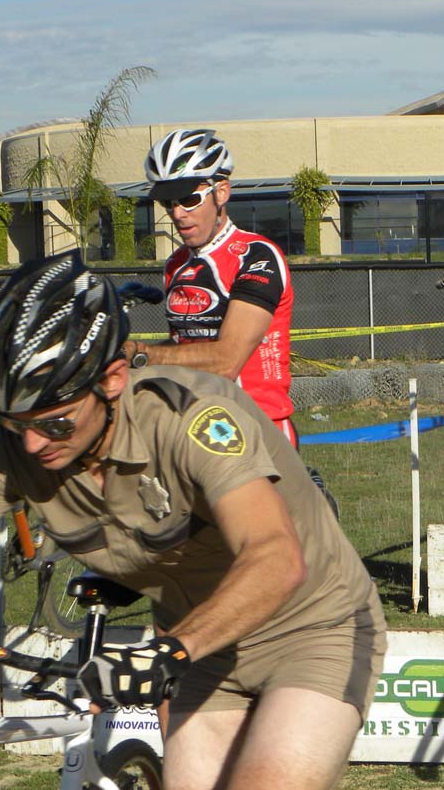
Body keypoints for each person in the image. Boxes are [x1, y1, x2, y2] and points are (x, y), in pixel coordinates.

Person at [0, 251, 386, 790]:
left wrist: (171, 652)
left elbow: (275, 558)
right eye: (16, 425)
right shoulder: (18, 444)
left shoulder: (189, 416)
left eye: (57, 422)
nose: (35, 444)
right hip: (202, 648)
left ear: (114, 378)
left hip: (314, 628)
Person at [125, 129, 337, 511]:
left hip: (259, 433)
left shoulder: (257, 256)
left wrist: (142, 354)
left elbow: (226, 360)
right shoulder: (175, 266)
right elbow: (183, 353)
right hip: (198, 430)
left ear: (221, 192)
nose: (177, 213)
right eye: (169, 202)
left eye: (189, 198)